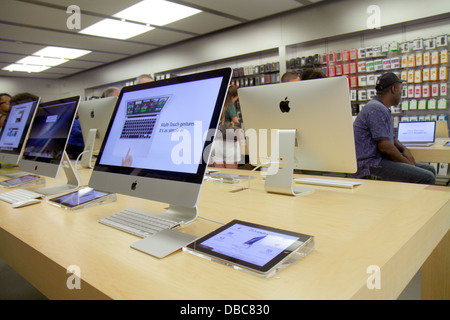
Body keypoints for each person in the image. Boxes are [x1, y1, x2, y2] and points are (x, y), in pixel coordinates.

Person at [350, 72, 436, 184]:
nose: (401, 92)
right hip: (369, 166)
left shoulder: (379, 107)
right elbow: (385, 147)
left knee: (430, 170)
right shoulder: (377, 109)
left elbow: (391, 138)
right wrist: (407, 163)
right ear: (394, 88)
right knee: (427, 177)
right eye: (401, 88)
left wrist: (404, 149)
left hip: (377, 161)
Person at [211, 85, 241, 168]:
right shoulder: (230, 105)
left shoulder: (218, 105)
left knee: (220, 175)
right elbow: (235, 120)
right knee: (231, 176)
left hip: (217, 140)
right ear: (234, 96)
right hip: (229, 142)